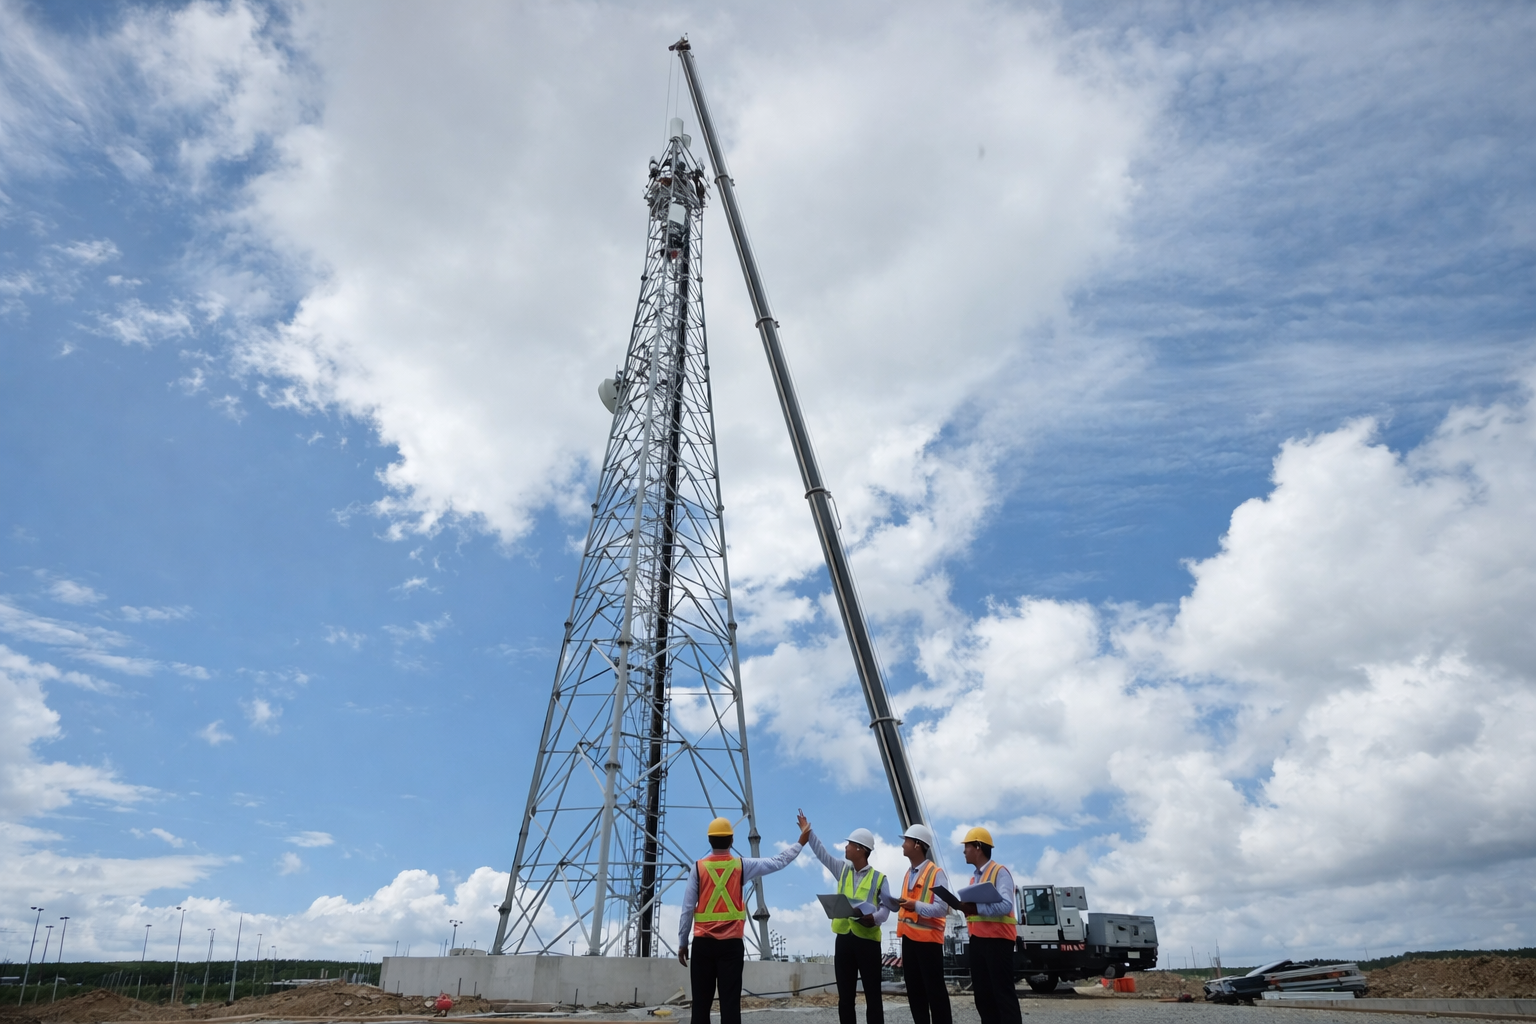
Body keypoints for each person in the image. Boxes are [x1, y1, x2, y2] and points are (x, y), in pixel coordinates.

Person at [679, 815, 807, 1024]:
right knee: (730, 1006)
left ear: (709, 840)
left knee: (701, 1006)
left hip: (703, 946)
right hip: (731, 947)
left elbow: (686, 910)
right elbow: (778, 862)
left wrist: (683, 943)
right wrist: (801, 842)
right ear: (731, 840)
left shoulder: (698, 868)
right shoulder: (741, 866)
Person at [799, 810, 893, 1024]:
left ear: (860, 849)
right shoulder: (842, 870)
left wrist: (875, 918)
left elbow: (886, 908)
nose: (845, 847)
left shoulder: (879, 879)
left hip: (867, 941)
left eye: (849, 844)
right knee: (845, 998)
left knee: (873, 997)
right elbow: (822, 854)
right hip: (844, 940)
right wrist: (808, 832)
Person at [958, 826, 1020, 1024]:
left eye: (966, 846)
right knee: (983, 997)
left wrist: (976, 908)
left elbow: (1006, 905)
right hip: (978, 942)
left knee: (1002, 995)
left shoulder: (1000, 873)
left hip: (999, 942)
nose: (964, 851)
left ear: (978, 847)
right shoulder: (974, 878)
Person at [895, 823, 952, 1024]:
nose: (903, 845)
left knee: (935, 994)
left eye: (906, 841)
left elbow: (941, 908)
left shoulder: (936, 874)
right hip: (909, 941)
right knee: (915, 994)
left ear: (917, 845)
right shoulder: (908, 873)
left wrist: (915, 905)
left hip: (929, 943)